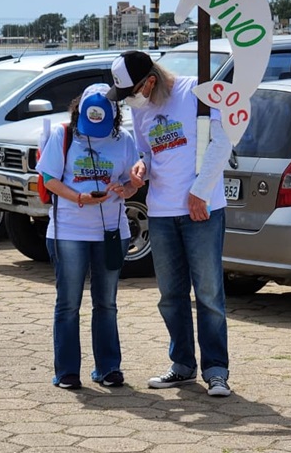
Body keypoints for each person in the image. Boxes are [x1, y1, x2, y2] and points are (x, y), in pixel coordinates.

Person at [105, 50, 234, 397]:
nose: (129, 101)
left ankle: (216, 371)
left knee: (208, 294)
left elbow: (222, 143)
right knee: (170, 295)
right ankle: (182, 365)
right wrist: (140, 170)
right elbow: (148, 153)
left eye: (131, 92)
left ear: (150, 81)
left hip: (201, 210)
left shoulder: (196, 92)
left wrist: (200, 192)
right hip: (161, 212)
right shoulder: (139, 107)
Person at [37, 83, 139, 390]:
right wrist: (79, 198)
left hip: (111, 231)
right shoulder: (64, 134)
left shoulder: (124, 139)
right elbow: (49, 179)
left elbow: (133, 180)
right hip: (69, 230)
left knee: (106, 303)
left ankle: (108, 368)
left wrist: (128, 188)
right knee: (68, 302)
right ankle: (67, 371)